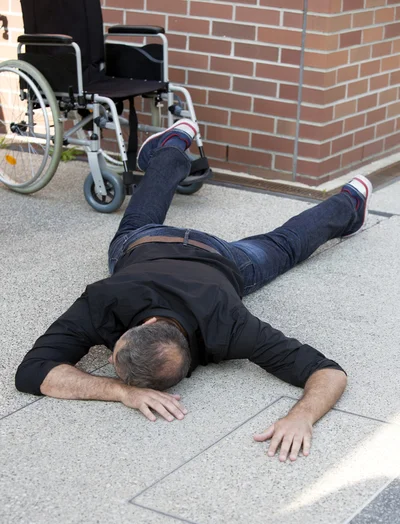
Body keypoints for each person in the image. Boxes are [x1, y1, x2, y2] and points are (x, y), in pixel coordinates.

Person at [15, 119, 372, 462]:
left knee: (284, 245)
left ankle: (352, 199)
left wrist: (303, 418)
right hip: (189, 251)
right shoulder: (226, 326)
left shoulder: (112, 301)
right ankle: (174, 143)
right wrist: (301, 416)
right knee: (145, 218)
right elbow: (328, 372)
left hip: (195, 253)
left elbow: (35, 372)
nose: (109, 358)